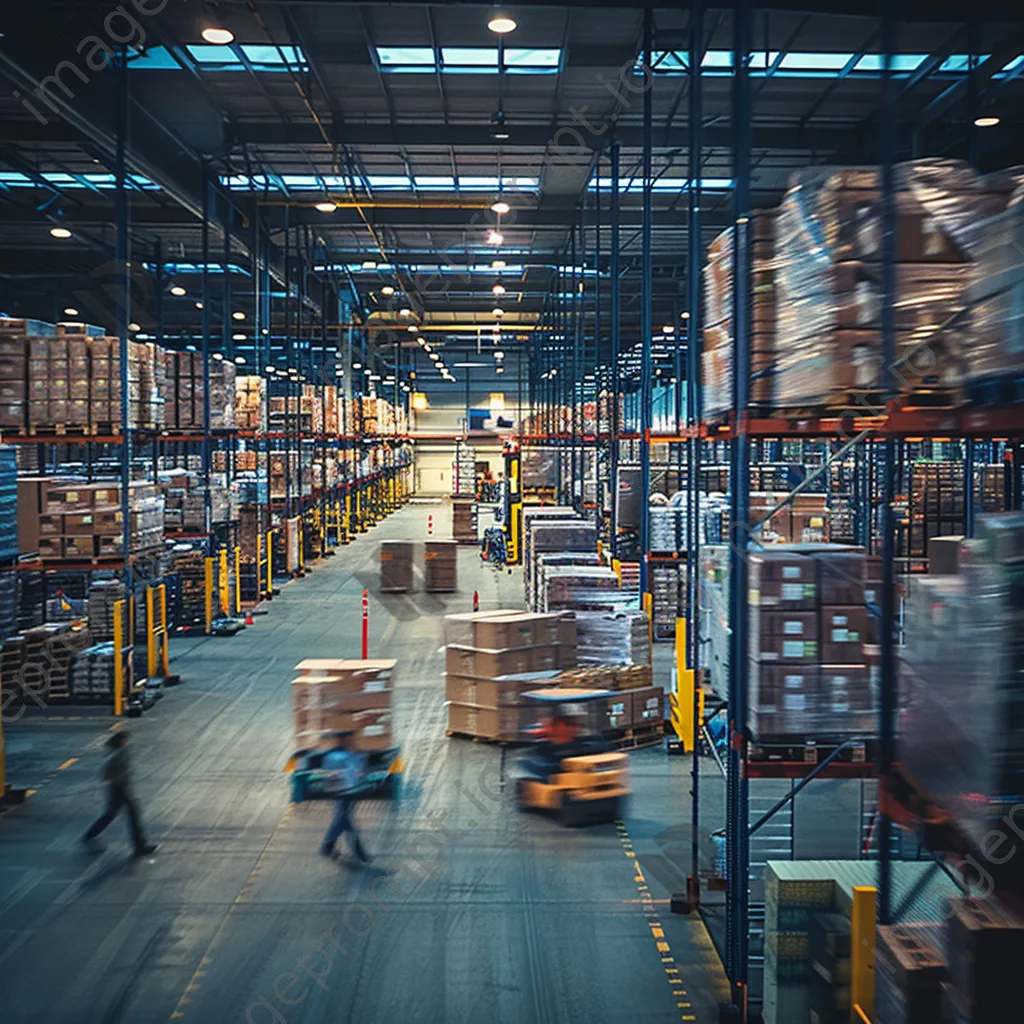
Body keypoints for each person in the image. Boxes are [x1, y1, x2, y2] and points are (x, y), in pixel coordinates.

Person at [82, 731, 157, 856]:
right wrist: (119, 780)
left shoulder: (118, 753)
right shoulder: (119, 755)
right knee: (133, 816)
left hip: (118, 789)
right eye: (126, 740)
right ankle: (139, 846)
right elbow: (107, 773)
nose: (128, 742)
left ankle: (90, 834)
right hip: (121, 789)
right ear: (121, 741)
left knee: (111, 814)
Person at [319, 731, 371, 863]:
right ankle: (328, 845)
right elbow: (356, 771)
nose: (353, 741)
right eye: (350, 739)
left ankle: (330, 847)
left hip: (341, 791)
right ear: (345, 740)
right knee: (343, 820)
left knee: (343, 820)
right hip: (346, 791)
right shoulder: (345, 756)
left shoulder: (334, 755)